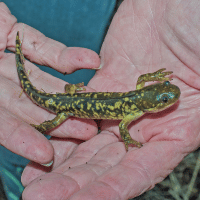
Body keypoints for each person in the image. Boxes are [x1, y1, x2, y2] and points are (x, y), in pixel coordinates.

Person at [1, 0, 200, 199]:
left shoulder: (138, 100)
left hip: (68, 97)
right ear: (152, 105)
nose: (170, 98)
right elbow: (123, 127)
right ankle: (35, 136)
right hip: (64, 107)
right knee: (55, 121)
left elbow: (141, 82)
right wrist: (128, 140)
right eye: (165, 97)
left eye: (164, 96)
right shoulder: (134, 109)